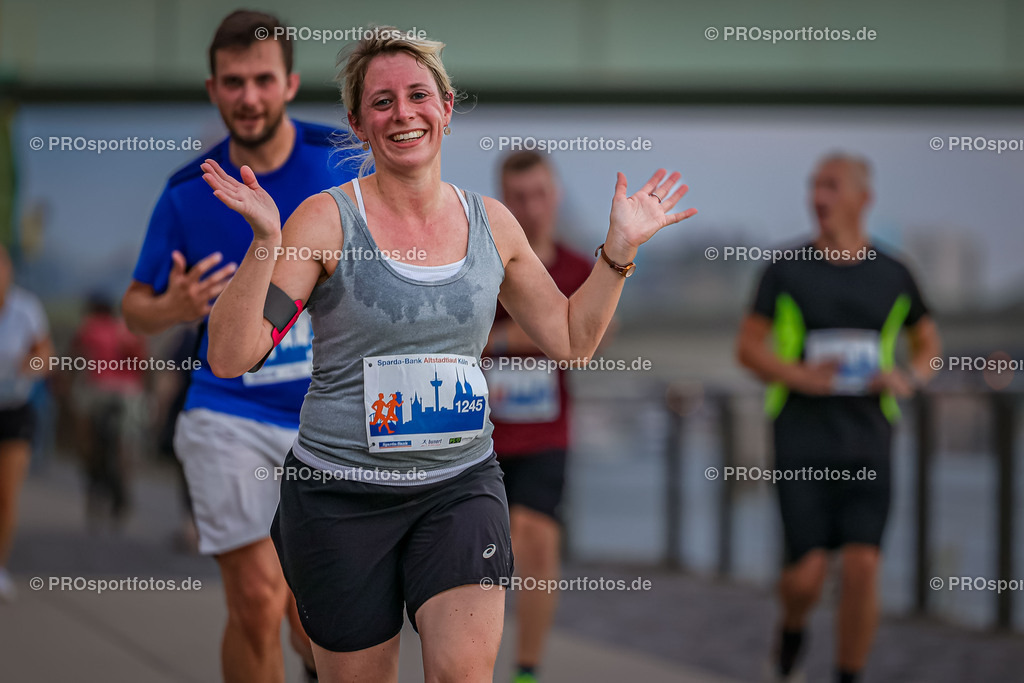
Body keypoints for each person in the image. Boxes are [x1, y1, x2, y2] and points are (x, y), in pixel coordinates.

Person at [201, 27, 696, 683]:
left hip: (459, 489)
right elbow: (235, 355)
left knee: (463, 673)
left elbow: (571, 338)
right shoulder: (324, 222)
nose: (403, 113)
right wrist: (265, 240)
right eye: (382, 102)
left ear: (447, 107)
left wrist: (619, 251)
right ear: (357, 121)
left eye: (417, 95)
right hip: (340, 497)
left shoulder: (492, 223)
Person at [121, 10, 357, 682]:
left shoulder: (343, 162)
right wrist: (174, 305)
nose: (247, 96)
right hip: (226, 411)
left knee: (316, 619)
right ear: (212, 88)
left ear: (289, 84)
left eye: (261, 80)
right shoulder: (187, 193)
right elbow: (135, 306)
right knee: (257, 597)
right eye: (233, 82)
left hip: (330, 419)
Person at [736, 153, 941, 683]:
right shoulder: (784, 270)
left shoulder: (895, 273)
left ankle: (849, 675)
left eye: (830, 186)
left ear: (862, 198)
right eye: (813, 186)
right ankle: (792, 627)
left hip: (870, 439)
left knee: (863, 566)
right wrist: (798, 375)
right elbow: (748, 348)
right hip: (802, 438)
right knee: (805, 577)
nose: (818, 197)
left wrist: (909, 377)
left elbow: (929, 344)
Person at [483, 151, 593, 683]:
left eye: (539, 194)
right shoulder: (483, 264)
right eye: (518, 197)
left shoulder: (578, 269)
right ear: (504, 201)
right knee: (481, 557)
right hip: (478, 439)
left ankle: (527, 669)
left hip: (547, 436)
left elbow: (589, 339)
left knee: (538, 542)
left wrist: (498, 339)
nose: (530, 207)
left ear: (557, 196)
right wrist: (546, 332)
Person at [0, 245, 53, 602]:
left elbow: (45, 355)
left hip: (13, 408)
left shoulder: (26, 308)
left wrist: (29, 367)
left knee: (6, 494)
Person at [70, 294, 147, 530]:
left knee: (86, 434)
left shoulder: (89, 327)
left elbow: (76, 359)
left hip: (98, 389)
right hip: (128, 391)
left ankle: (91, 468)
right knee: (127, 439)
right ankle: (124, 480)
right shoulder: (130, 329)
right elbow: (143, 364)